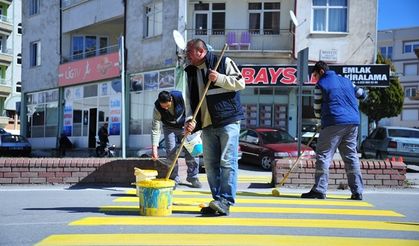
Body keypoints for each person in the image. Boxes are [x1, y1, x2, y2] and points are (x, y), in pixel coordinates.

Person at [183, 39, 245, 216]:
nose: (186, 55)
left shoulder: (223, 62)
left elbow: (241, 83)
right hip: (207, 125)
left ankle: (225, 201)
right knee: (210, 165)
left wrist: (219, 78)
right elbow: (190, 102)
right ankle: (217, 200)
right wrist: (190, 119)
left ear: (200, 51)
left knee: (227, 162)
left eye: (189, 52)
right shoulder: (190, 72)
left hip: (228, 120)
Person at [301, 61, 366, 201]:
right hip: (353, 122)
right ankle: (357, 191)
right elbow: (362, 94)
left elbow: (317, 109)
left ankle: (319, 190)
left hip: (333, 122)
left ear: (321, 72)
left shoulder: (321, 84)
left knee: (323, 156)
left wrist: (321, 120)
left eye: (315, 75)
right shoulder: (347, 80)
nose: (315, 78)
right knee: (351, 157)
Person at [151, 90, 202, 188]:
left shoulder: (180, 97)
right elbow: (155, 127)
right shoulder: (157, 108)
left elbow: (191, 112)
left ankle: (193, 177)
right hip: (169, 128)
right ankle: (174, 178)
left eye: (167, 106)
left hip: (184, 125)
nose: (165, 108)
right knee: (171, 152)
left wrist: (191, 124)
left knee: (192, 150)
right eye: (163, 107)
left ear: (171, 99)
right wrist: (154, 146)